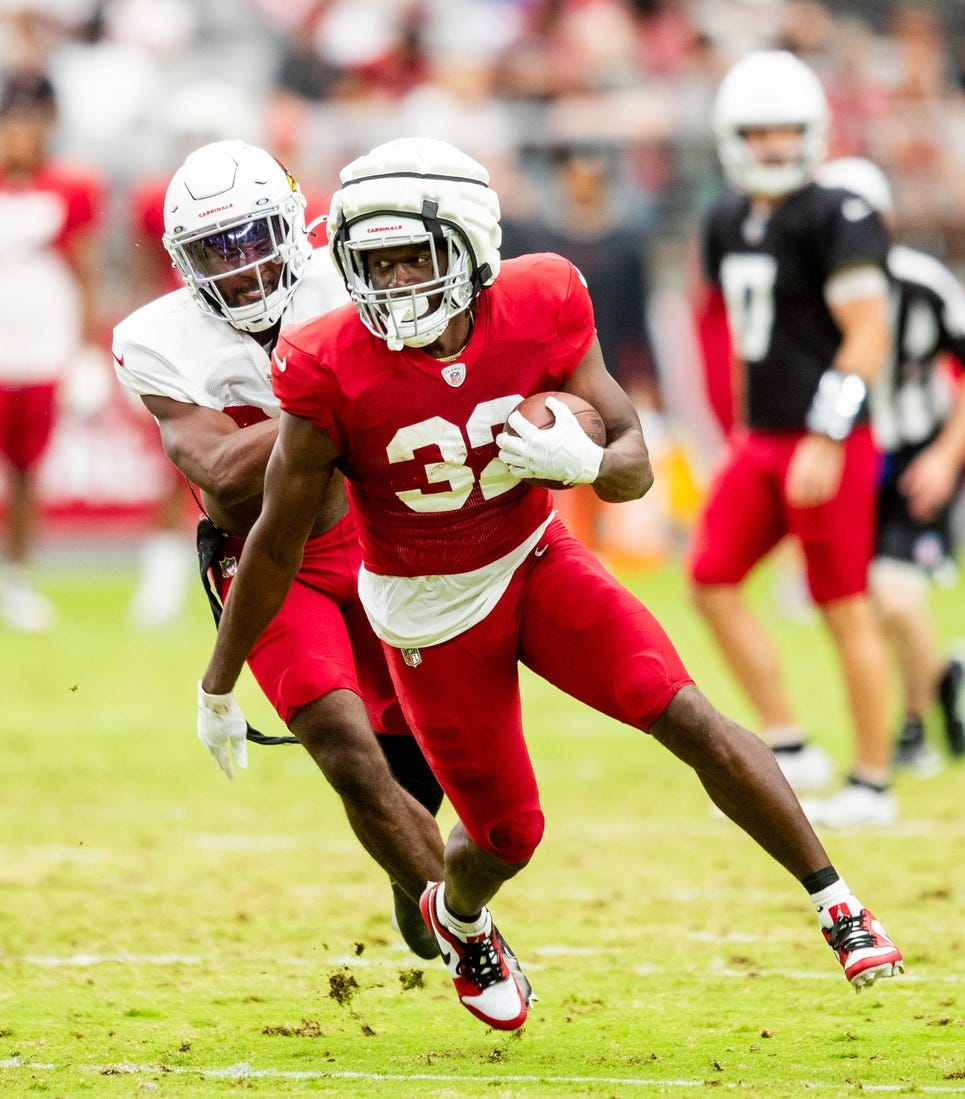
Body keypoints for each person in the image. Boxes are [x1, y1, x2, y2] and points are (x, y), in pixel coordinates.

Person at [198, 136, 902, 1032]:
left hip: (534, 559)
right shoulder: (327, 357)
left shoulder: (542, 299)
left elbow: (634, 468)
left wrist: (586, 459)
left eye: (415, 253)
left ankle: (837, 902)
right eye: (374, 261)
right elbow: (272, 542)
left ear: (470, 243)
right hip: (426, 611)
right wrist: (220, 681)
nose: (396, 278)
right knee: (507, 836)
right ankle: (457, 918)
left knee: (681, 708)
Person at [111, 139, 450, 960]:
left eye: (254, 236)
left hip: (376, 530)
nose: (240, 265)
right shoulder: (155, 338)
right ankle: (473, 935)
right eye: (214, 251)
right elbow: (223, 474)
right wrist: (336, 390)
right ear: (183, 263)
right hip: (263, 552)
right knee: (342, 745)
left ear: (292, 222)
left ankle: (426, 887)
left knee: (424, 757)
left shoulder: (351, 271)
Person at [687, 50, 897, 829]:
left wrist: (827, 432)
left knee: (843, 605)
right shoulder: (722, 217)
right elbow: (737, 339)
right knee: (709, 576)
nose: (774, 144)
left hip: (825, 438)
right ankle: (790, 742)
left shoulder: (837, 211)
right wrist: (738, 431)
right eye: (758, 130)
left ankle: (872, 781)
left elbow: (866, 335)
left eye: (787, 129)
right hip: (763, 437)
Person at [814, 156, 965, 773]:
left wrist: (945, 456)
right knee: (860, 604)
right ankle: (941, 680)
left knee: (895, 597)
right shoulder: (807, 290)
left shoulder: (924, 284)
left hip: (915, 453)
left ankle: (910, 727)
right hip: (848, 453)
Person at [0, 71, 105, 632]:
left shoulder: (68, 189)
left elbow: (84, 271)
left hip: (40, 349)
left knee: (24, 471)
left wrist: (86, 350)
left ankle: (17, 581)